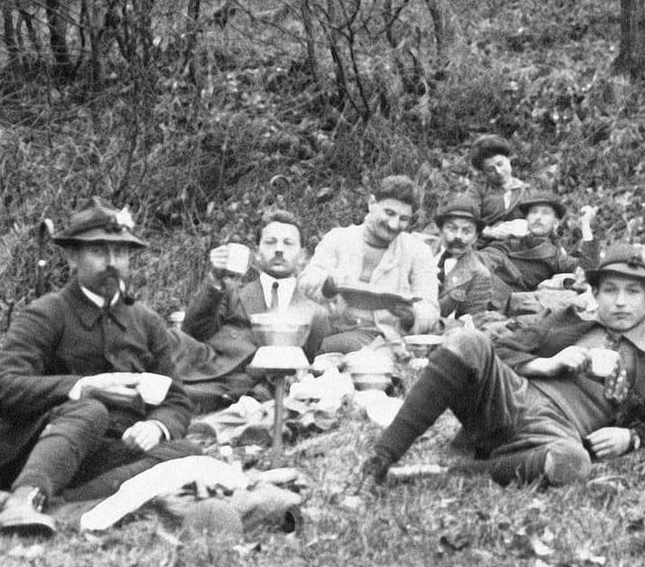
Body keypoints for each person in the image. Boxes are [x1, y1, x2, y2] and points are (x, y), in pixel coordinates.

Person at [357, 248, 645, 488]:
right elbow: (497, 348)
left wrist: (629, 437)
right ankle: (380, 459)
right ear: (595, 294)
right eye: (610, 290)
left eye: (633, 291)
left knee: (572, 463)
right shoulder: (569, 320)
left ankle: (445, 475)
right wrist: (546, 364)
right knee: (467, 341)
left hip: (558, 431)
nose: (620, 302)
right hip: (511, 398)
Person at [0, 201, 200, 535]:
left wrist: (156, 426)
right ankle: (21, 502)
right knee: (91, 410)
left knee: (186, 452)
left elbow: (177, 400)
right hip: (35, 451)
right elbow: (0, 389)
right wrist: (82, 387)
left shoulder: (146, 322)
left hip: (106, 456)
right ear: (73, 257)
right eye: (99, 252)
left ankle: (62, 504)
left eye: (122, 253)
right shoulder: (46, 313)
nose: (113, 263)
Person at [175, 211, 331, 411]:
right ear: (257, 253)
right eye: (271, 242)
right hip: (216, 379)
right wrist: (215, 279)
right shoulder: (231, 293)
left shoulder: (315, 314)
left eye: (288, 243)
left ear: (302, 255)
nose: (279, 250)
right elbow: (194, 333)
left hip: (267, 392)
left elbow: (311, 367)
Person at [300, 175, 442, 355]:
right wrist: (327, 284)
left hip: (379, 338)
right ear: (372, 203)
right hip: (331, 326)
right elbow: (305, 282)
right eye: (389, 213)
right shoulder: (338, 238)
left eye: (403, 219)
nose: (394, 224)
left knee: (323, 350)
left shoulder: (417, 251)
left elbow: (430, 308)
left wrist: (411, 315)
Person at [476, 190, 598, 301]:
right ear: (527, 219)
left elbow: (588, 267)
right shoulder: (510, 237)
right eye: (534, 212)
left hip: (504, 297)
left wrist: (586, 224)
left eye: (545, 213)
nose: (538, 217)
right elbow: (487, 255)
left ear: (555, 223)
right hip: (479, 280)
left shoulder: (555, 255)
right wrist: (493, 233)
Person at [432, 192, 500, 320]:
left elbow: (472, 322)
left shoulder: (479, 275)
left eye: (466, 231)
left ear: (475, 237)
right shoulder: (420, 251)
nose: (458, 236)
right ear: (441, 230)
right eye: (452, 228)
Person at [466, 134, 529, 231]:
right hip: (486, 242)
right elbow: (467, 219)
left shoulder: (526, 190)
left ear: (508, 159)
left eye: (500, 164)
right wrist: (490, 232)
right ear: (484, 173)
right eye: (490, 170)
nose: (498, 172)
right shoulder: (477, 190)